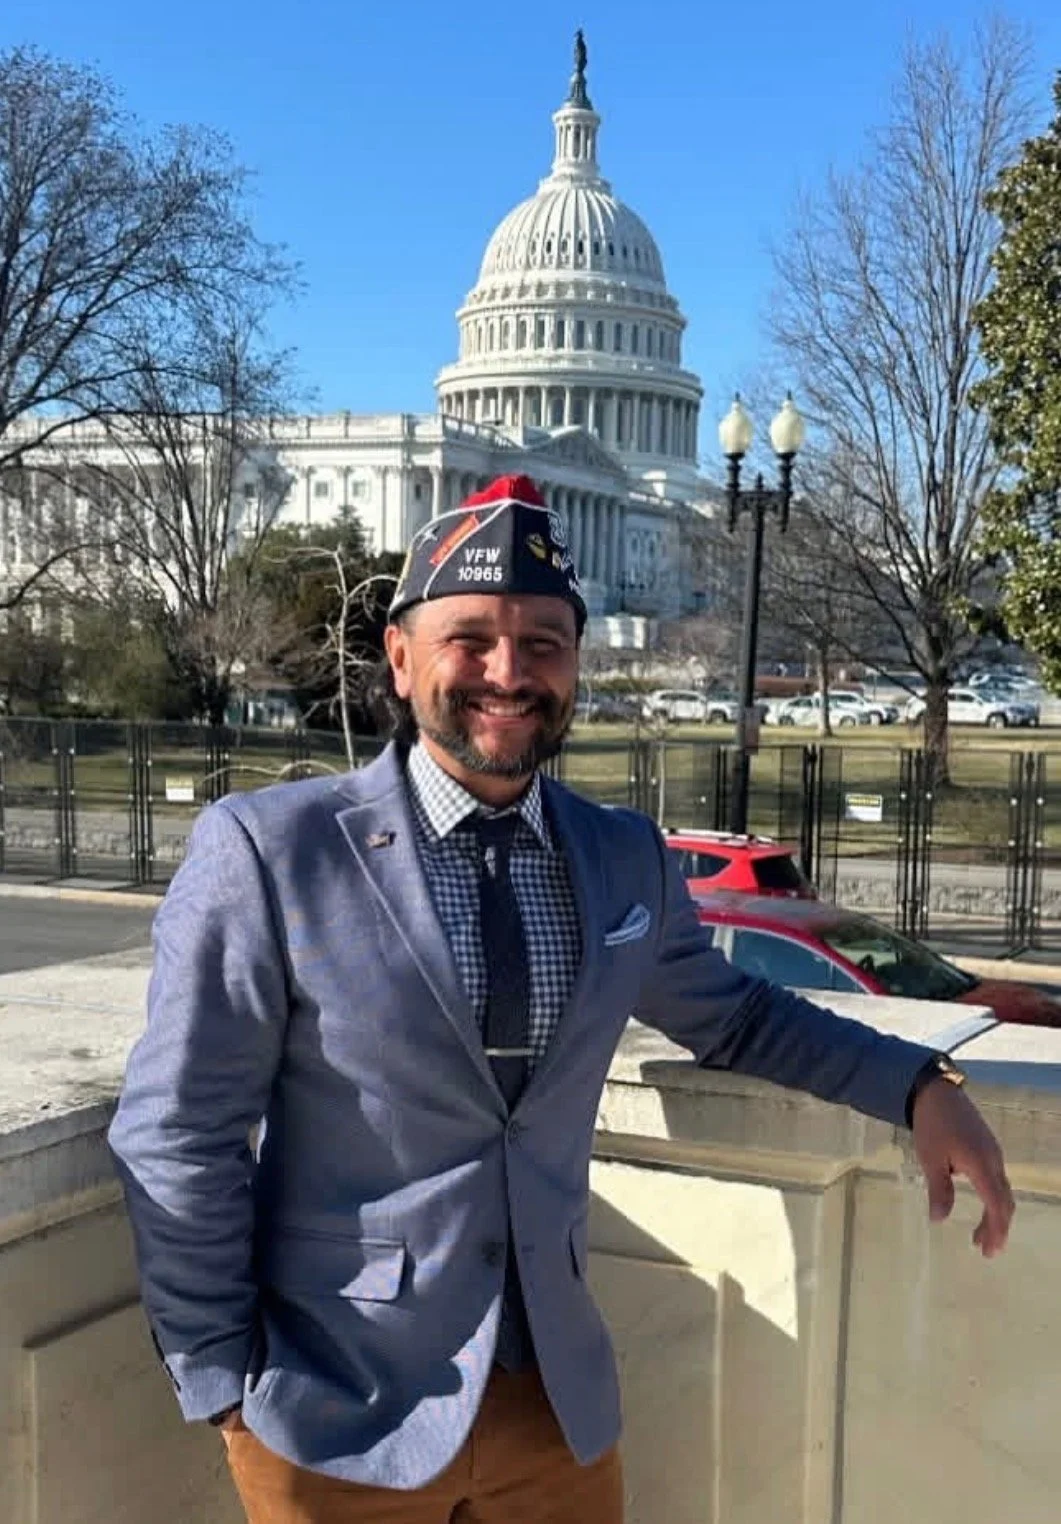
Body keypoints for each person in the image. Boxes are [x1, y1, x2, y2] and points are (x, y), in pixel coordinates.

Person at [109, 473, 1014, 1524]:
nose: (508, 672)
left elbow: (736, 1014)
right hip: (330, 1408)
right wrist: (219, 1380)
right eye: (471, 639)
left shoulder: (619, 853)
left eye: (543, 642)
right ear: (400, 661)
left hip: (555, 1404)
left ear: (576, 664)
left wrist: (915, 1082)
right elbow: (180, 1128)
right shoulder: (273, 850)